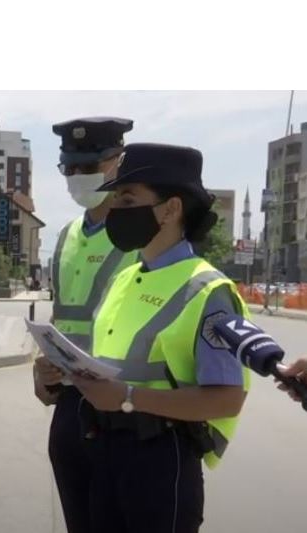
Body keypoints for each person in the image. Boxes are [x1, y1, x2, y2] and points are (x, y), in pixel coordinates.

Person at [67, 143, 250, 533]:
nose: (115, 209)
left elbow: (226, 399)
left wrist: (128, 398)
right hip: (106, 450)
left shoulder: (208, 289)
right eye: (116, 198)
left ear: (171, 209)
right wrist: (63, 370)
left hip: (161, 462)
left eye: (128, 199)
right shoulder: (124, 278)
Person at [33, 117, 137, 533]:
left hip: (123, 408)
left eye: (89, 167)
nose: (78, 177)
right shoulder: (67, 235)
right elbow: (62, 317)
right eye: (69, 168)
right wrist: (44, 371)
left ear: (118, 162)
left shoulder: (142, 234)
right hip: (70, 406)